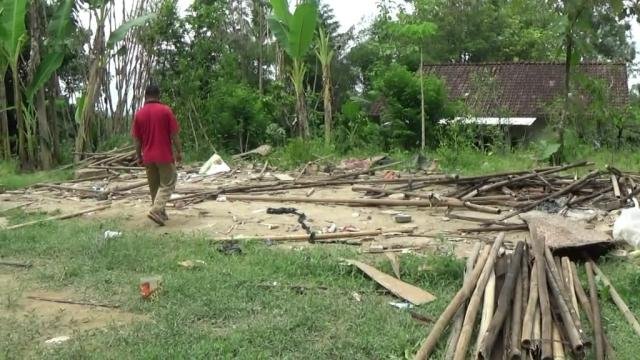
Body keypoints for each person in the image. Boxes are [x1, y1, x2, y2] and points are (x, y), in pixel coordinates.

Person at [132, 84, 182, 226]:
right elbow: (174, 135)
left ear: (145, 96)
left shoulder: (139, 114)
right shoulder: (166, 111)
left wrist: (139, 156)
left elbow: (137, 140)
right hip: (164, 155)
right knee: (169, 182)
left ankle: (161, 212)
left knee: (154, 185)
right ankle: (156, 209)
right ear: (158, 95)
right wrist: (179, 151)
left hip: (148, 156)